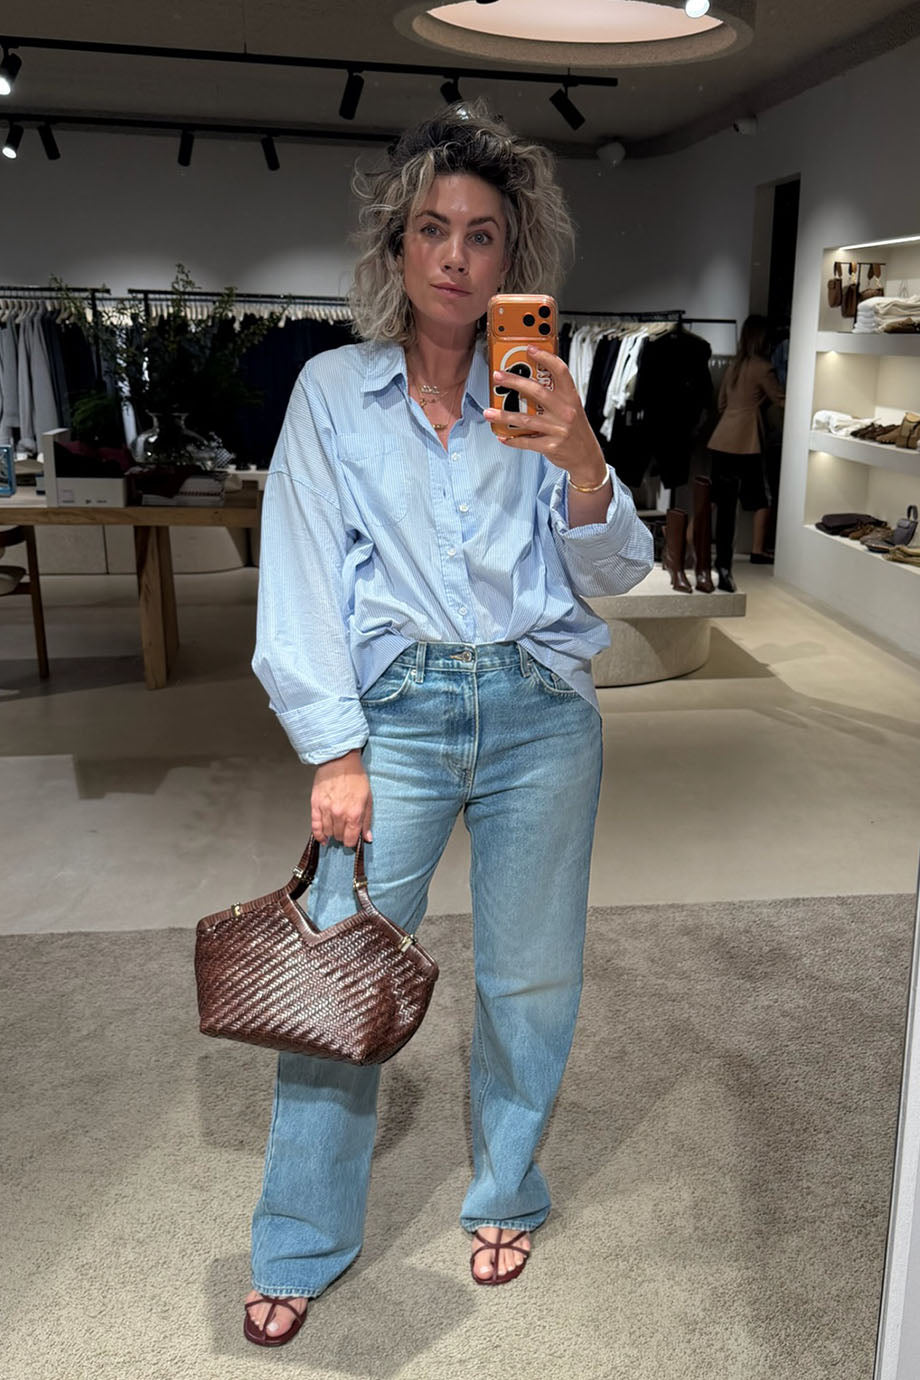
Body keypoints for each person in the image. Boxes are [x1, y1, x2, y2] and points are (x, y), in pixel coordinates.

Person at [243, 101, 654, 1347]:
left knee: (528, 975)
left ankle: (506, 1189)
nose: (455, 257)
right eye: (432, 229)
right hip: (399, 715)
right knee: (339, 967)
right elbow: (298, 574)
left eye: (482, 235)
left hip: (539, 711)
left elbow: (615, 571)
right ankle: (300, 1237)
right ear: (396, 246)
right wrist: (334, 750)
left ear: (510, 257)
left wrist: (580, 459)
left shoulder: (541, 394)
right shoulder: (332, 393)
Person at [706, 313, 786, 591]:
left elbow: (721, 403)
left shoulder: (735, 365)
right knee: (761, 498)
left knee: (714, 500)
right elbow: (781, 398)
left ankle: (689, 546)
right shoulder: (763, 368)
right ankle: (757, 549)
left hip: (722, 438)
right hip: (746, 441)